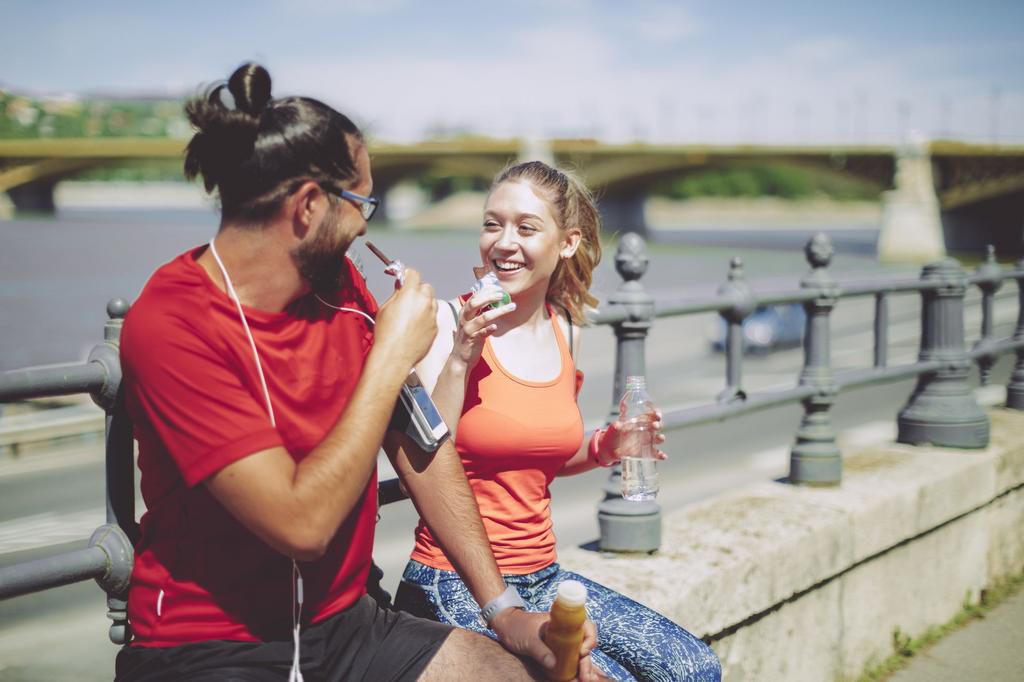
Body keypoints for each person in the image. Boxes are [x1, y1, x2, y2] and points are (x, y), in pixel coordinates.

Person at [114, 64, 603, 681]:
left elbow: (419, 441)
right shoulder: (174, 323)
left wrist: (504, 612)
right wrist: (392, 356)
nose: (368, 223)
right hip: (211, 646)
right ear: (309, 207)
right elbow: (301, 526)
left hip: (350, 622)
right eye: (362, 202)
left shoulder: (339, 285)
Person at [393, 161, 722, 681]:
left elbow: (538, 455)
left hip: (545, 577)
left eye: (525, 228)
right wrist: (460, 358)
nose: (503, 242)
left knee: (694, 667)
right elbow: (427, 461)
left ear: (566, 243)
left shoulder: (564, 326)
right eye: (491, 223)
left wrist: (603, 447)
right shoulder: (444, 322)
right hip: (452, 580)